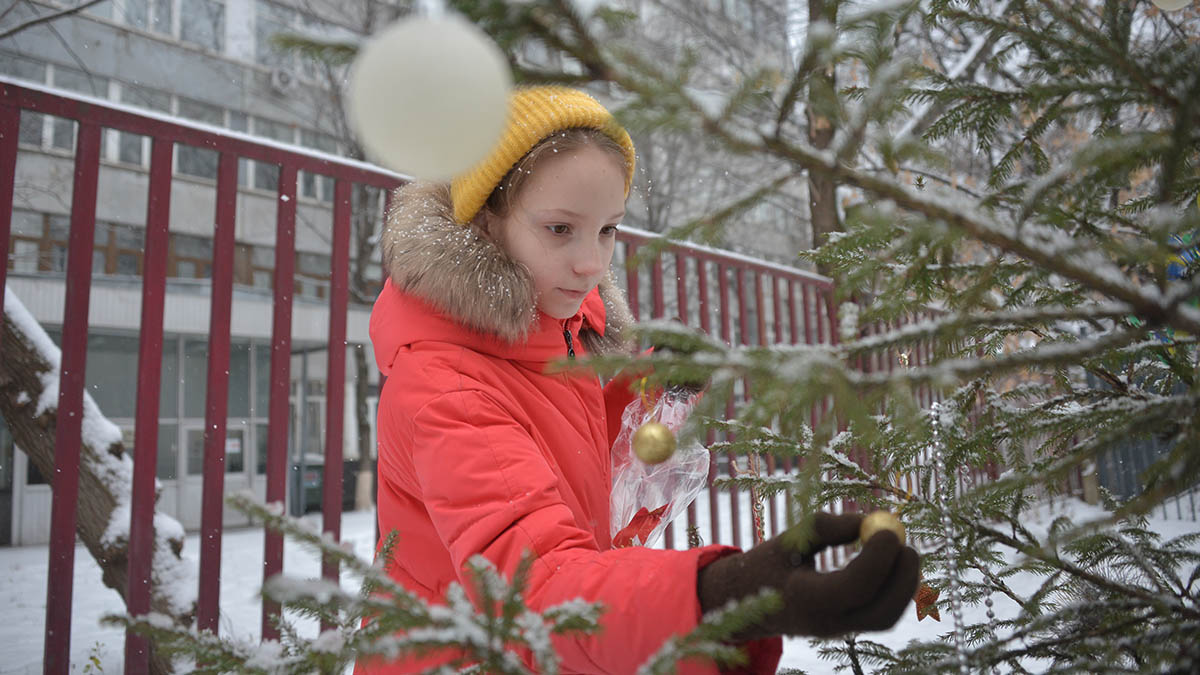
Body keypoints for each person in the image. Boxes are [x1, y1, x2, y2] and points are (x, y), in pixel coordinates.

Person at [359, 85, 920, 674]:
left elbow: (558, 454)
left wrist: (641, 390)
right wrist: (725, 597)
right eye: (560, 228)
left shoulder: (554, 331)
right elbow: (538, 585)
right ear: (485, 221)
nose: (592, 264)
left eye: (608, 230)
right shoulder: (446, 387)